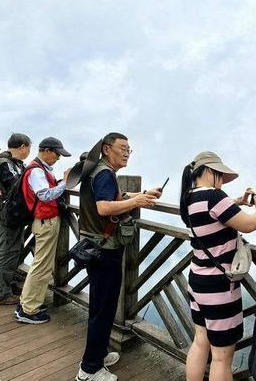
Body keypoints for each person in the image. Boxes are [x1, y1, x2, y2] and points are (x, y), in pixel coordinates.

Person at [75, 133, 161, 381]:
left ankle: (98, 354)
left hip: (95, 246)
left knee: (100, 306)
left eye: (129, 149)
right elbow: (104, 207)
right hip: (105, 250)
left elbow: (114, 198)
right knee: (103, 309)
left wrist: (141, 195)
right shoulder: (104, 173)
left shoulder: (97, 171)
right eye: (122, 148)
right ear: (106, 148)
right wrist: (137, 203)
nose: (126, 153)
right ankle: (89, 369)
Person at [178, 151, 256, 381]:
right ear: (209, 171)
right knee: (221, 357)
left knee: (200, 342)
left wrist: (236, 201)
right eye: (219, 174)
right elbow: (248, 225)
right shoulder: (214, 197)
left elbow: (212, 214)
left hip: (197, 277)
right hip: (218, 286)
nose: (221, 180)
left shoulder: (189, 197)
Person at [15, 137, 72, 323]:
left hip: (43, 221)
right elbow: (46, 196)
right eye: (57, 154)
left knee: (40, 264)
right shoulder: (37, 171)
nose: (57, 158)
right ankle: (29, 310)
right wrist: (65, 183)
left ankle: (26, 302)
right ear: (46, 151)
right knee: (42, 266)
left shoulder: (37, 168)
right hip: (46, 221)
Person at [0, 133, 31, 306]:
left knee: (13, 251)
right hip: (4, 214)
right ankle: (0, 293)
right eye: (28, 147)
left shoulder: (10, 163)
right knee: (3, 253)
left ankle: (7, 286)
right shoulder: (4, 163)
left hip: (11, 214)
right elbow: (15, 186)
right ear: (22, 147)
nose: (29, 151)